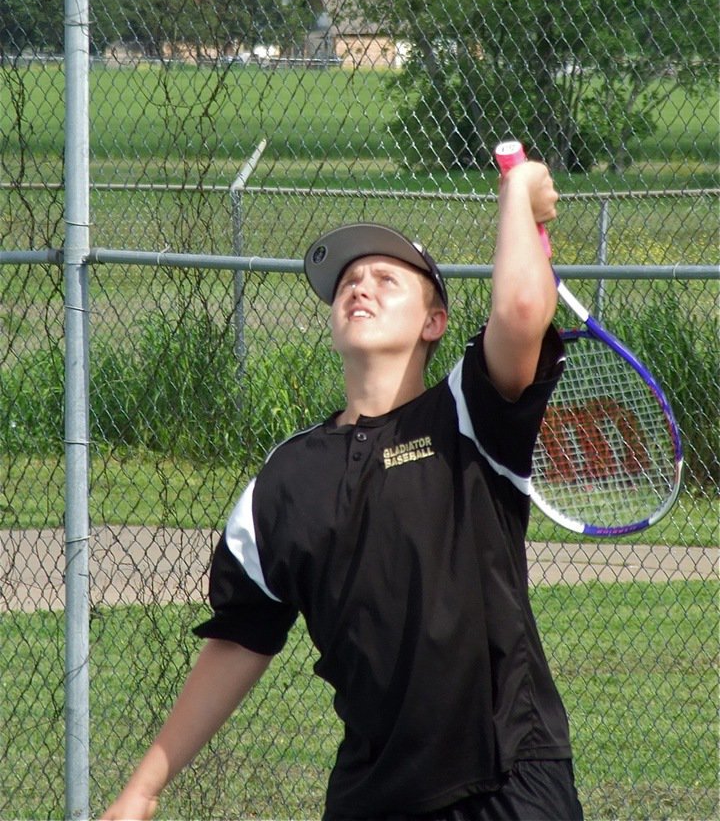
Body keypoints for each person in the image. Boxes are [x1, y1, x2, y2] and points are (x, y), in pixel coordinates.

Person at [101, 158, 584, 821]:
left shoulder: (468, 416)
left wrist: (519, 194)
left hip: (505, 779)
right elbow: (239, 640)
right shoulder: (287, 477)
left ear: (434, 322)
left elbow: (524, 307)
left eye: (387, 278)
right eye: (348, 282)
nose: (361, 287)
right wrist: (141, 791)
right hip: (372, 794)